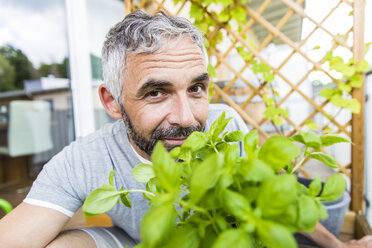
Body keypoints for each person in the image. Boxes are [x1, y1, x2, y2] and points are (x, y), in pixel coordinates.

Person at [0, 11, 371, 248]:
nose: (186, 117)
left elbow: (275, 197)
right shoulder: (82, 160)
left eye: (195, 88)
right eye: (156, 92)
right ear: (112, 101)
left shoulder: (224, 124)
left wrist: (338, 246)